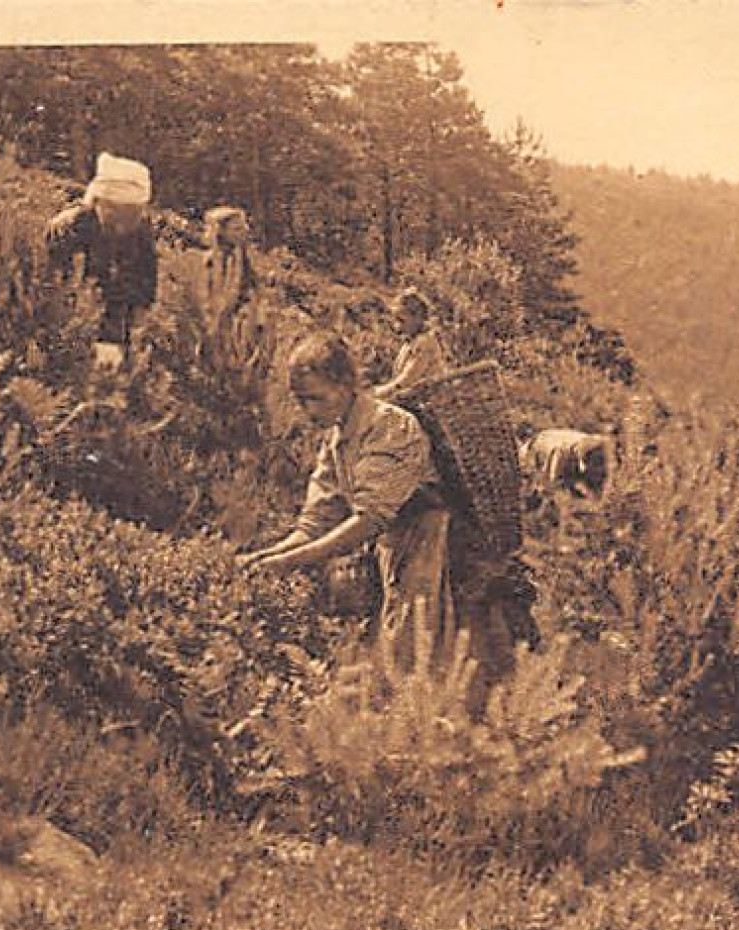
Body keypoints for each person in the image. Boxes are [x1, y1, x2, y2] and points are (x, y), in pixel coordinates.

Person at [242, 335, 526, 696]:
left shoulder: (391, 426)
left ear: (346, 385)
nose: (309, 410)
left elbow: (370, 519)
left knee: (430, 660)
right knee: (399, 658)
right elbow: (317, 520)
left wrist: (291, 561)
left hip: (437, 551)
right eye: (301, 400)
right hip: (399, 553)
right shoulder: (336, 439)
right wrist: (266, 557)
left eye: (317, 398)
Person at [45, 153, 159, 370]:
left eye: (131, 213)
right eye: (116, 212)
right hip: (76, 314)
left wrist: (138, 319)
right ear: (99, 203)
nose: (122, 222)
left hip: (117, 314)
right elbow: (57, 279)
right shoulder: (71, 228)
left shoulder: (140, 231)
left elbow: (146, 275)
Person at [199, 205, 259, 344]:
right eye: (236, 229)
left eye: (243, 227)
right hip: (208, 325)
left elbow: (250, 287)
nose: (243, 232)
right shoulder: (207, 261)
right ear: (221, 232)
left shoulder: (240, 257)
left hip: (234, 325)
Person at [373, 288, 448, 399]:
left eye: (401, 320)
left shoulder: (424, 343)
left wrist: (377, 393)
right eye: (396, 320)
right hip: (411, 396)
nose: (397, 327)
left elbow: (407, 380)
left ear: (418, 318)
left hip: (426, 401)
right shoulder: (411, 342)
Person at [519, 427, 614, 500]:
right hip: (583, 454)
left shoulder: (538, 443)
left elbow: (559, 452)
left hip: (579, 454)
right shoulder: (543, 439)